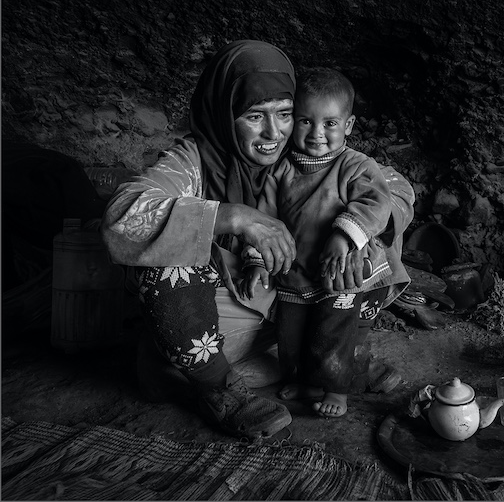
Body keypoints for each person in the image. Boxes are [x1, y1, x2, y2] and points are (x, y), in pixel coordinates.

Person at [101, 40, 413, 440]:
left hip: (295, 304)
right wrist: (233, 216)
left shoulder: (308, 156)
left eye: (285, 114)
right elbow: (122, 218)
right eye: (253, 116)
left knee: (370, 226)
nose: (273, 133)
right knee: (165, 260)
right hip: (220, 316)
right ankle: (216, 386)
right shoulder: (194, 160)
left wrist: (353, 236)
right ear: (224, 112)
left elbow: (396, 189)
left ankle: (341, 359)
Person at [240, 68, 395, 418]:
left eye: (330, 123)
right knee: (291, 337)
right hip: (295, 274)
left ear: (349, 125)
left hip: (340, 272)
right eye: (305, 121)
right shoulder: (282, 170)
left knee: (332, 336)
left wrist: (343, 236)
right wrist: (258, 261)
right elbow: (263, 218)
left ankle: (336, 389)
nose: (317, 133)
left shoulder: (355, 166)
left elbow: (377, 204)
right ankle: (307, 381)